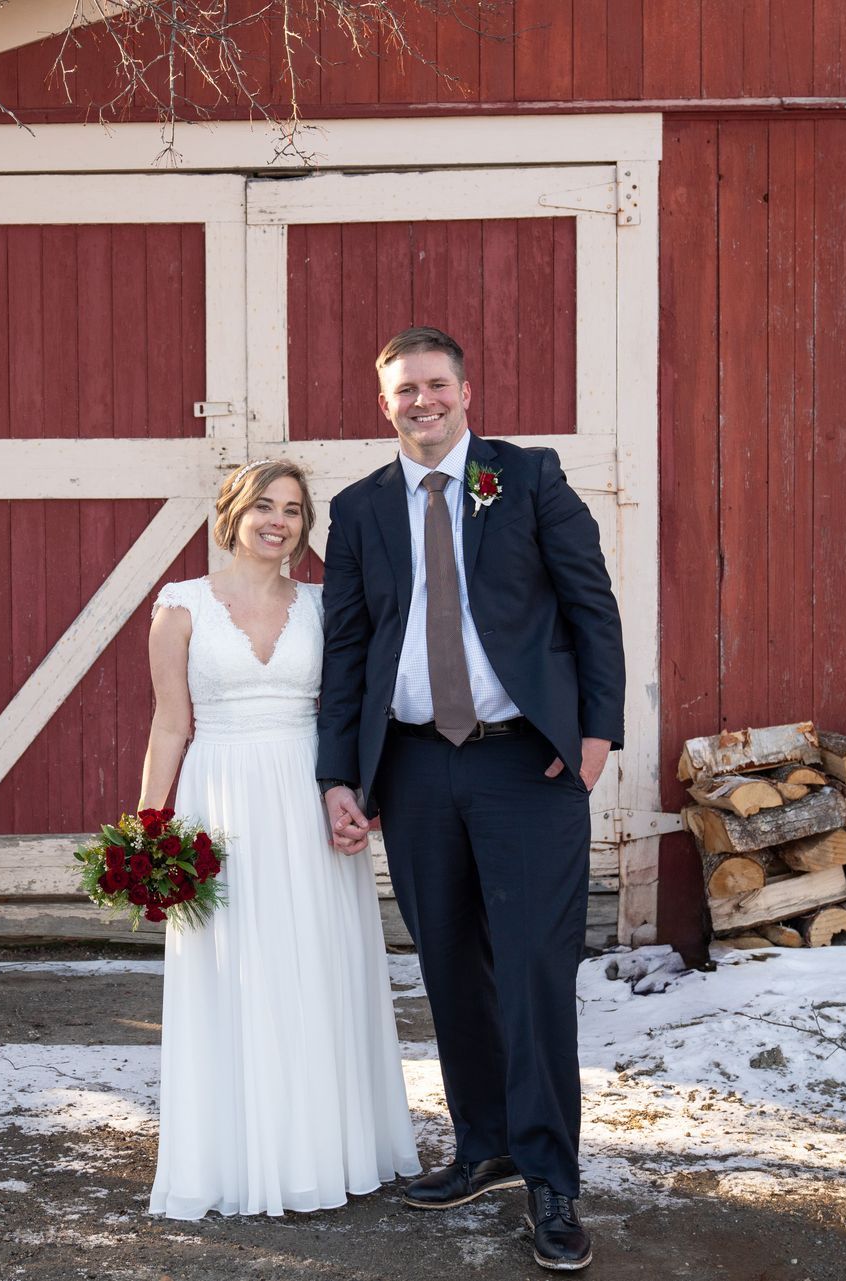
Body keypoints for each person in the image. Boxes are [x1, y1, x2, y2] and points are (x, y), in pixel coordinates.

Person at [317, 326, 625, 1272]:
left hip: (523, 765)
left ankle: (551, 1180)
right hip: (412, 769)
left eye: (436, 383)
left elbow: (591, 606)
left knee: (534, 971)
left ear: (465, 388)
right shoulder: (360, 507)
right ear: (384, 402)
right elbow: (349, 647)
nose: (422, 400)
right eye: (404, 388)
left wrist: (595, 732)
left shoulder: (526, 478)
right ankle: (483, 1142)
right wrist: (340, 773)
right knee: (450, 966)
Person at [141, 458, 421, 1220]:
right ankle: (239, 1151)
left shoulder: (327, 605)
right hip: (220, 796)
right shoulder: (182, 607)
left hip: (306, 792)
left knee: (317, 962)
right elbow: (171, 724)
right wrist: (150, 833)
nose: (279, 521)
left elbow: (356, 708)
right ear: (232, 511)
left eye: (294, 510)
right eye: (265, 505)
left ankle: (325, 1146)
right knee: (233, 970)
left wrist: (365, 795)